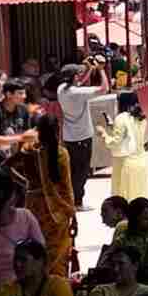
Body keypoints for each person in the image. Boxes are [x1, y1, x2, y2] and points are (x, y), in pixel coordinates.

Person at [21, 112, 77, 277]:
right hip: (57, 212)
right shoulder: (61, 154)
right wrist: (73, 213)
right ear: (58, 130)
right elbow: (67, 187)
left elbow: (8, 166)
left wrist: (28, 186)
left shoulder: (28, 151)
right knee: (56, 257)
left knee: (36, 251)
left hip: (34, 207)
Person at [55, 64, 105, 211]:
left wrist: (90, 70)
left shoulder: (61, 89)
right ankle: (78, 202)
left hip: (69, 137)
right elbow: (104, 88)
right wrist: (101, 69)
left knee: (71, 170)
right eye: (78, 74)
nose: (80, 77)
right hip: (82, 136)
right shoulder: (78, 93)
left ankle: (70, 200)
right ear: (74, 77)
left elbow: (79, 84)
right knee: (81, 172)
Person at [0, 240, 74, 296]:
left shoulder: (59, 286)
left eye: (23, 260)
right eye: (15, 259)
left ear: (40, 262)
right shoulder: (9, 289)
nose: (17, 264)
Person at [99, 92, 148, 201]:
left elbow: (115, 143)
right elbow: (131, 136)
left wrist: (103, 134)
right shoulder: (141, 118)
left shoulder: (121, 118)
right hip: (140, 163)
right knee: (138, 200)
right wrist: (114, 127)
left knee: (124, 202)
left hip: (125, 165)